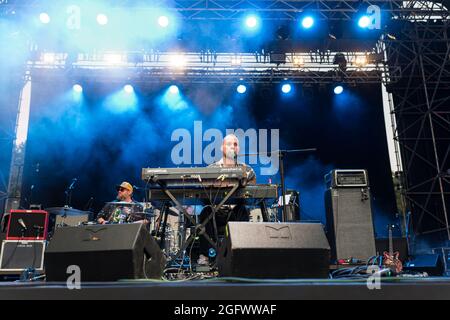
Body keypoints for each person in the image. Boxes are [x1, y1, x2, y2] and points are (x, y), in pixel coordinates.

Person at [197, 134, 256, 265]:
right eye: (229, 144)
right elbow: (203, 193)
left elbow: (252, 190)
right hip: (215, 213)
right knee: (205, 212)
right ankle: (205, 257)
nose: (232, 147)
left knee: (244, 211)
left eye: (235, 144)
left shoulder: (247, 169)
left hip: (235, 211)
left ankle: (241, 255)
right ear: (222, 148)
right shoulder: (211, 169)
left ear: (238, 149)